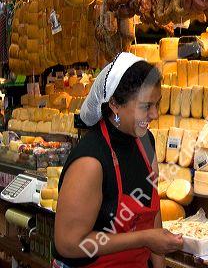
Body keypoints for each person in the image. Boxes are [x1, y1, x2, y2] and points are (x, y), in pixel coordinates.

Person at [53, 52, 183, 268]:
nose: (155, 114)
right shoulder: (90, 161)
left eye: (157, 104)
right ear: (114, 104)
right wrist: (145, 238)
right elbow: (69, 244)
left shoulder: (145, 141)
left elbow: (153, 209)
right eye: (145, 106)